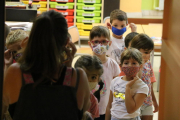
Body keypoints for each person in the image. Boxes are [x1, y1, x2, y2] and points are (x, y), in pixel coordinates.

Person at [2, 10, 90, 120]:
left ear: (30, 40)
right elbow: (83, 109)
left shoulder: (15, 72)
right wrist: (68, 68)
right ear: (67, 42)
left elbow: (5, 104)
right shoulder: (78, 77)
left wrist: (23, 54)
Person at [105, 48, 149, 120]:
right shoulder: (115, 81)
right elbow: (109, 106)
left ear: (140, 66)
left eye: (134, 63)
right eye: (126, 63)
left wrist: (128, 87)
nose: (129, 66)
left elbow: (130, 110)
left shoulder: (142, 87)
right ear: (121, 66)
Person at [88, 26, 121, 120]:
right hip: (89, 109)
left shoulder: (113, 65)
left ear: (109, 43)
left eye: (103, 41)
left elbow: (116, 87)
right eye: (96, 42)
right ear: (90, 44)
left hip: (106, 110)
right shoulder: (86, 64)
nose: (100, 44)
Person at [130, 33, 159, 120]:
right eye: (146, 52)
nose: (148, 55)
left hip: (147, 103)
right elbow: (135, 81)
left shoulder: (148, 63)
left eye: (150, 52)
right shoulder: (130, 64)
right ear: (136, 50)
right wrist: (140, 65)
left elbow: (149, 84)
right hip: (135, 102)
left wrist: (154, 101)